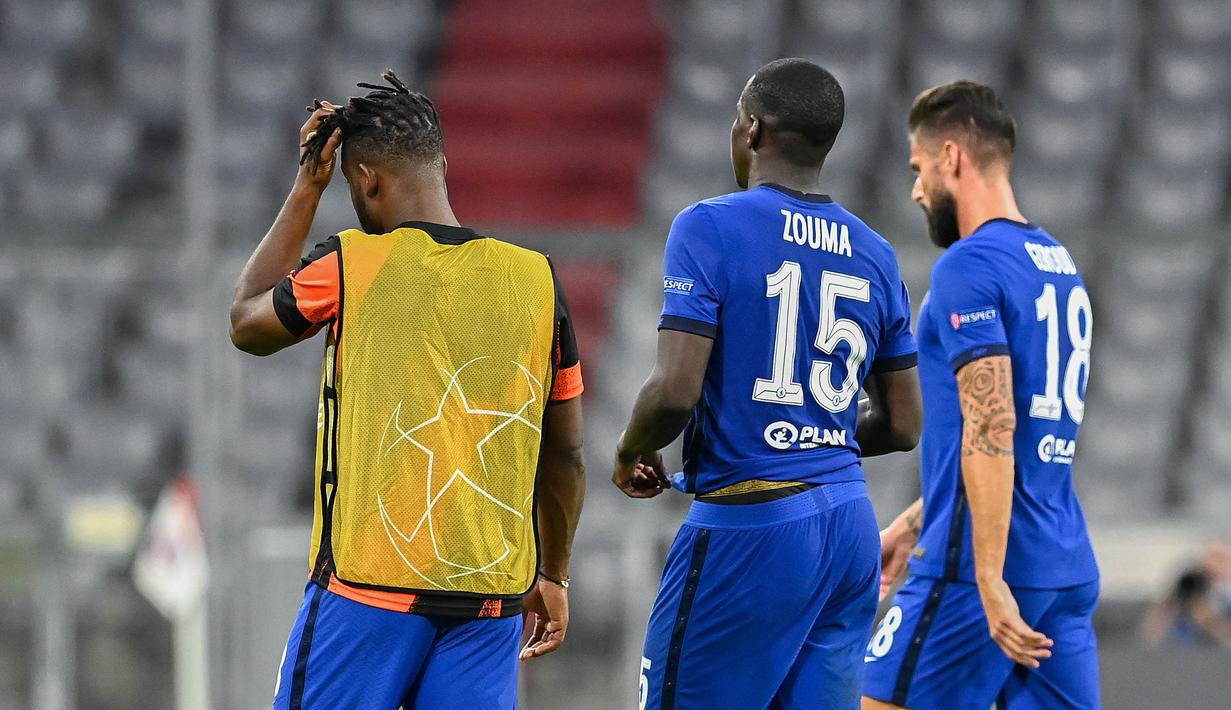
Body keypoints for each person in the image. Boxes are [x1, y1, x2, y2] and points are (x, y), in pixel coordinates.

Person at [228, 71, 586, 709]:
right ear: (441, 166)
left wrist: (307, 186)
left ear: (366, 180)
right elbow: (565, 453)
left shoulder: (353, 262)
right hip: (490, 600)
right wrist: (553, 573)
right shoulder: (537, 280)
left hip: (367, 593)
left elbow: (247, 321)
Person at [613, 58, 923, 709]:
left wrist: (630, 448)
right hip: (847, 529)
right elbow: (901, 425)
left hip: (751, 524)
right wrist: (815, 434)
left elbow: (673, 390)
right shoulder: (873, 252)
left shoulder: (711, 225)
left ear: (751, 130)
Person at [862, 81, 1100, 710]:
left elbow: (991, 427)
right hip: (1065, 567)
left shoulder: (970, 265)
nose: (917, 189)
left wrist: (987, 575)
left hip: (978, 572)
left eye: (918, 169)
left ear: (951, 157)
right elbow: (1022, 440)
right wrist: (917, 522)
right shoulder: (1058, 263)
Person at [1139, 540, 1231, 648]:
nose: (1217, 563)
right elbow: (1166, 608)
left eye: (1221, 558)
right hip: (1196, 637)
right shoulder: (1192, 581)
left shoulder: (1225, 585)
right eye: (1213, 558)